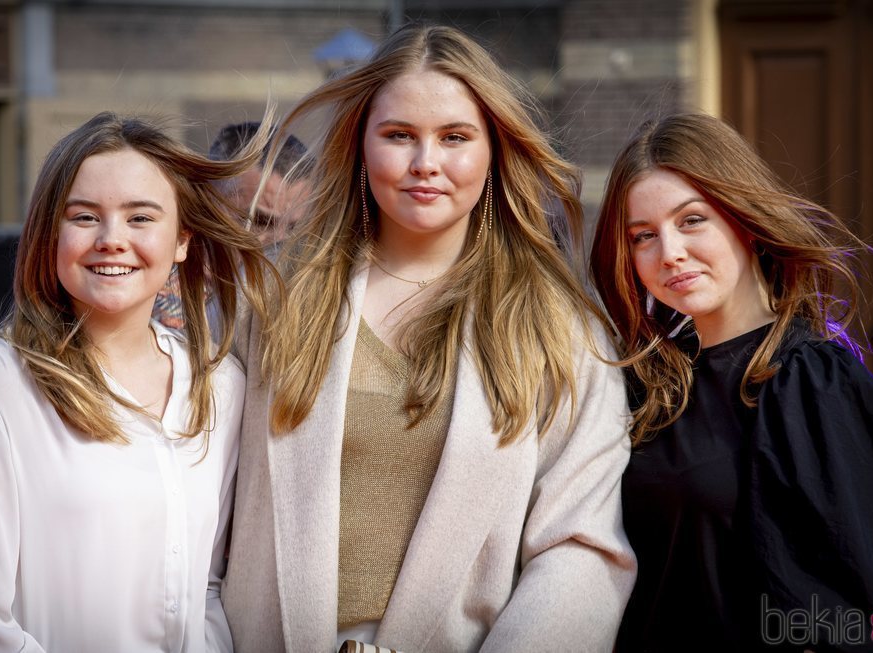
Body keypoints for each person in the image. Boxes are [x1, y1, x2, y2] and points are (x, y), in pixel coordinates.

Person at [222, 24, 636, 652]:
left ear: (493, 149)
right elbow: (201, 515)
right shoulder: (272, 303)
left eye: (454, 137)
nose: (426, 163)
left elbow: (580, 550)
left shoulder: (560, 329)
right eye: (398, 136)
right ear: (361, 145)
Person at [589, 112, 873, 651]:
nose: (670, 252)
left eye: (692, 220)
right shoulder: (647, 387)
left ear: (743, 219)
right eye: (643, 236)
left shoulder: (814, 384)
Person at [0, 111, 276, 651]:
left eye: (140, 218)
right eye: (84, 217)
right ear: (48, 234)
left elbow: (209, 586)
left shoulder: (220, 386)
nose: (111, 240)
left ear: (181, 240)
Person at [152, 123, 309, 329]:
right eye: (261, 222)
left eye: (295, 229)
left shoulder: (299, 298)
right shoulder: (157, 296)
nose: (280, 242)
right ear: (206, 203)